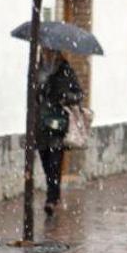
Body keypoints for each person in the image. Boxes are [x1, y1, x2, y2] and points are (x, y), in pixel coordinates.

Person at [36, 48, 83, 217]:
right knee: (46, 164)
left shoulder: (65, 70)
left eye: (50, 52)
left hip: (58, 124)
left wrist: (65, 97)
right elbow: (33, 94)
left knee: (55, 163)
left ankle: (51, 199)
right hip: (41, 125)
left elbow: (79, 94)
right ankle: (54, 195)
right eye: (45, 51)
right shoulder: (38, 69)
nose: (47, 54)